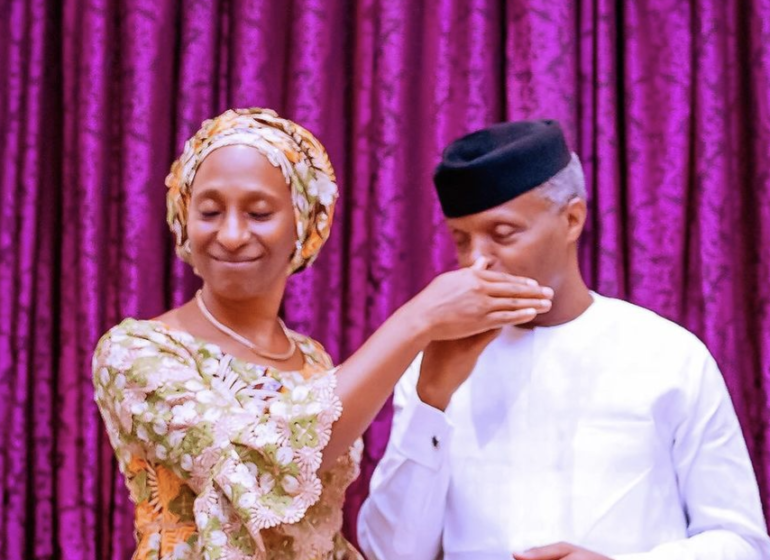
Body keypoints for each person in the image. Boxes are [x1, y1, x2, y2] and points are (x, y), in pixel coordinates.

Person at [91, 108, 553, 560]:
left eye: (258, 212)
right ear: (184, 219)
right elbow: (257, 470)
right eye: (210, 211)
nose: (231, 234)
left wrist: (434, 388)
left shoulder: (312, 360)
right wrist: (416, 321)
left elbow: (319, 536)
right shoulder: (137, 352)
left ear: (304, 224)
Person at [357, 119, 770, 560]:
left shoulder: (668, 354)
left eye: (502, 234)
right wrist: (431, 401)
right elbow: (390, 553)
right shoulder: (433, 367)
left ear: (572, 219)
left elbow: (741, 543)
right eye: (462, 240)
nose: (477, 262)